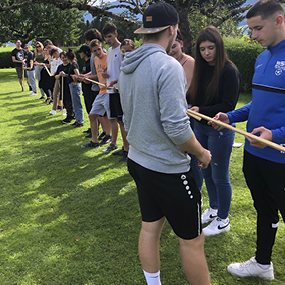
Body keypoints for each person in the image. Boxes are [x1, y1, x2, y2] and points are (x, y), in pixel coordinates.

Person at [118, 2, 212, 285]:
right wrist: (202, 152)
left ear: (145, 31)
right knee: (193, 240)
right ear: (172, 30)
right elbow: (177, 128)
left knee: (150, 227)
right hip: (167, 170)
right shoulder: (169, 66)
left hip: (138, 160)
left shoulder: (127, 65)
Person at [211, 0, 285, 280]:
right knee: (264, 210)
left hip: (280, 155)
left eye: (258, 28)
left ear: (278, 20)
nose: (252, 35)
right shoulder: (263, 57)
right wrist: (231, 116)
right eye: (251, 29)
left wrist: (275, 136)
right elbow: (258, 103)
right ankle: (263, 264)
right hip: (256, 155)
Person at [187, 26, 240, 236]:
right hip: (201, 127)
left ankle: (223, 219)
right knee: (205, 170)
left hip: (220, 129)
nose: (206, 53)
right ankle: (214, 208)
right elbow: (194, 98)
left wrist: (201, 111)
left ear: (219, 47)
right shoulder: (200, 69)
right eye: (202, 49)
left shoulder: (229, 71)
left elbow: (229, 105)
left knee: (220, 175)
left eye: (211, 48)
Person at [169, 30, 203, 191]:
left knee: (191, 154)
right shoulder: (168, 63)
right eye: (169, 47)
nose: (171, 50)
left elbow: (186, 91)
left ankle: (197, 189)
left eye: (174, 46)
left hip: (188, 113)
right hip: (175, 112)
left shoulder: (189, 62)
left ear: (181, 44)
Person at [81, 39, 112, 148]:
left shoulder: (109, 57)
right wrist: (87, 78)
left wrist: (108, 75)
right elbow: (97, 76)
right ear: (92, 52)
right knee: (92, 115)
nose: (98, 52)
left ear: (102, 47)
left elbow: (115, 73)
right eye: (95, 51)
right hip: (101, 91)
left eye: (99, 49)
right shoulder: (95, 60)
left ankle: (110, 138)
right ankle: (94, 142)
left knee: (110, 117)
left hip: (110, 90)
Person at [101, 22, 125, 153]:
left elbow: (126, 71)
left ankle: (126, 148)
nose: (107, 40)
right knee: (113, 119)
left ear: (116, 34)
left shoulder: (122, 49)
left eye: (110, 36)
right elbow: (111, 68)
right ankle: (114, 143)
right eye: (105, 37)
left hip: (120, 90)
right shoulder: (109, 51)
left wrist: (116, 82)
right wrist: (105, 73)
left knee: (122, 121)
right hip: (110, 90)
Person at [111, 39, 136, 162]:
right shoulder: (124, 63)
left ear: (134, 50)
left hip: (134, 101)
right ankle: (127, 149)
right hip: (123, 99)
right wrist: (117, 83)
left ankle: (132, 153)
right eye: (123, 51)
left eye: (129, 51)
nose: (126, 53)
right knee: (123, 123)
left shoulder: (137, 62)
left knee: (131, 126)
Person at [66, 48, 84, 127]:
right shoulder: (72, 64)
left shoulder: (74, 64)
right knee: (74, 104)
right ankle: (77, 120)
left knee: (77, 104)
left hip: (74, 86)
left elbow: (78, 75)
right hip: (71, 85)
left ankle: (80, 121)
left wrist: (75, 80)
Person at [56, 51, 74, 124]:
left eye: (66, 57)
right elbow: (56, 77)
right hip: (63, 86)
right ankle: (69, 114)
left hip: (69, 85)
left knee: (70, 101)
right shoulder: (60, 67)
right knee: (64, 101)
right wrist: (60, 75)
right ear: (61, 58)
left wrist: (65, 75)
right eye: (63, 57)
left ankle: (70, 116)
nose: (65, 59)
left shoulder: (71, 65)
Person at [49, 48, 63, 114]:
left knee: (64, 94)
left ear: (56, 53)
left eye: (54, 55)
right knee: (55, 93)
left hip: (63, 77)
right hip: (58, 77)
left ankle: (66, 108)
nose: (54, 57)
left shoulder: (63, 57)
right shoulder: (56, 59)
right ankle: (54, 109)